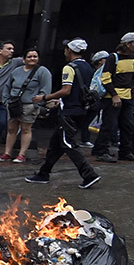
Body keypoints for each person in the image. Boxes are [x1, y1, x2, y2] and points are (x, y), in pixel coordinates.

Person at [25, 38, 99, 189]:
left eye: (66, 49)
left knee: (68, 143)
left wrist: (46, 97)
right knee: (56, 143)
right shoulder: (89, 68)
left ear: (69, 51)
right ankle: (43, 173)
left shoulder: (69, 67)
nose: (65, 52)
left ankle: (89, 174)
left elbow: (67, 90)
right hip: (81, 110)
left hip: (69, 112)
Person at [91, 32, 134, 162]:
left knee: (127, 125)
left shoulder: (133, 58)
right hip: (112, 97)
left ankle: (125, 152)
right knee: (109, 125)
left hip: (127, 96)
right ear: (128, 44)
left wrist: (131, 90)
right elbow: (106, 77)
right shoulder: (113, 57)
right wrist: (114, 95)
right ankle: (102, 151)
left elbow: (133, 76)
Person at [0, 48, 51, 164]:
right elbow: (8, 86)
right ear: (24, 59)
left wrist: (38, 104)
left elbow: (45, 89)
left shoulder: (43, 71)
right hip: (14, 103)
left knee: (26, 129)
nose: (32, 59)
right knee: (11, 129)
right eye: (29, 56)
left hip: (29, 105)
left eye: (35, 56)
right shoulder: (16, 71)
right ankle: (7, 153)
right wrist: (6, 100)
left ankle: (22, 154)